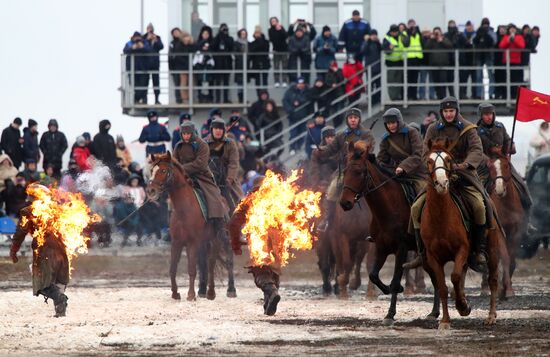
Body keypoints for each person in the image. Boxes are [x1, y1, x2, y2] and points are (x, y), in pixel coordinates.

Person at [408, 97, 490, 271]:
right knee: (415, 208)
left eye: (451, 111)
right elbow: (425, 153)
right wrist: (434, 167)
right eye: (445, 111)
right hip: (438, 175)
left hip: (463, 174)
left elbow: (476, 150)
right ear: (441, 113)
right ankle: (421, 253)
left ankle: (478, 250)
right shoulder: (432, 129)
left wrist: (464, 164)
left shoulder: (468, 128)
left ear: (456, 111)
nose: (449, 114)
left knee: (480, 206)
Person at [9, 184, 70, 317]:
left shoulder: (28, 211)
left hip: (45, 251)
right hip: (62, 250)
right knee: (58, 281)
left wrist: (14, 250)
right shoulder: (56, 209)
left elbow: (20, 233)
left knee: (42, 284)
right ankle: (60, 313)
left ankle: (60, 301)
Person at [313, 108, 375, 231]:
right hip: (344, 171)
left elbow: (370, 148)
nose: (353, 120)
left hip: (362, 170)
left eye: (355, 118)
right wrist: (320, 151)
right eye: (350, 118)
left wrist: (357, 150)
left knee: (375, 190)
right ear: (347, 120)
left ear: (359, 119)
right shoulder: (341, 135)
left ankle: (377, 220)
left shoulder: (366, 134)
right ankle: (327, 219)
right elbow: (331, 149)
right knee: (331, 191)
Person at [476, 102, 534, 232]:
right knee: (478, 192)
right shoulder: (475, 131)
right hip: (485, 167)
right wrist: (488, 161)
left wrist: (511, 147)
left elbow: (508, 140)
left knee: (522, 186)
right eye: (485, 114)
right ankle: (480, 226)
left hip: (503, 164)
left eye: (490, 114)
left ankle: (527, 222)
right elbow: (477, 151)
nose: (489, 117)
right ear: (481, 116)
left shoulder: (500, 126)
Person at [229, 175, 281, 316]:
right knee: (274, 270)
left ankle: (271, 292)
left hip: (259, 237)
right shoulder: (279, 200)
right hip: (278, 240)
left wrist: (236, 243)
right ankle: (269, 302)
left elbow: (234, 222)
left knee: (260, 270)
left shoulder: (248, 201)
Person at [173, 121, 229, 236]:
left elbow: (200, 164)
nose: (186, 136)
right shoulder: (178, 146)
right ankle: (173, 226)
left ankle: (219, 225)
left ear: (193, 133)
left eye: (188, 133)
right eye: (184, 134)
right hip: (184, 177)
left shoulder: (202, 144)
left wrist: (182, 168)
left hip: (202, 176)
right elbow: (174, 162)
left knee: (214, 197)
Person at [377, 108, 427, 195]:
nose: (391, 126)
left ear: (399, 121)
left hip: (417, 174)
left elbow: (418, 154)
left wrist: (403, 167)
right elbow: (382, 159)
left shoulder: (412, 132)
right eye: (388, 123)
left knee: (422, 195)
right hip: (397, 175)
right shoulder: (386, 139)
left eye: (393, 123)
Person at [206, 118, 244, 212]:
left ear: (223, 130)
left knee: (236, 204)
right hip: (208, 178)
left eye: (220, 129)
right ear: (212, 130)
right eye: (216, 128)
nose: (218, 131)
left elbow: (233, 163)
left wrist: (229, 179)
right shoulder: (204, 143)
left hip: (226, 178)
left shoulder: (230, 143)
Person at [282, 77, 313, 154]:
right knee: (293, 134)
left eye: (302, 84)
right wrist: (289, 109)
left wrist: (299, 101)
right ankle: (292, 148)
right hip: (293, 117)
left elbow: (309, 100)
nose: (300, 85)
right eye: (299, 84)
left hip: (303, 116)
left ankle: (298, 147)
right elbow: (285, 101)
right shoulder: (290, 91)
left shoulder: (307, 91)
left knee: (302, 134)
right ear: (296, 84)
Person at [424, 27, 453, 99]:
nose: (436, 34)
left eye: (438, 32)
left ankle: (443, 97)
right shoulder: (431, 41)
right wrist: (431, 39)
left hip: (443, 65)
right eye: (435, 33)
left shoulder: (445, 39)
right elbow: (426, 48)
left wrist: (442, 41)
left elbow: (450, 47)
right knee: (436, 82)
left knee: (443, 81)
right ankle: (438, 96)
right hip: (434, 65)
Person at [123, 31, 151, 104]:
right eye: (136, 38)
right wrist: (133, 48)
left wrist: (142, 47)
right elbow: (125, 51)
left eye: (138, 37)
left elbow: (149, 50)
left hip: (144, 68)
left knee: (144, 85)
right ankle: (136, 99)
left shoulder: (145, 43)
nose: (137, 39)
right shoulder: (129, 43)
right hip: (132, 69)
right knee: (134, 85)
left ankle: (143, 100)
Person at [383, 24, 410, 101]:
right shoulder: (386, 38)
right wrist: (390, 48)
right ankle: (393, 98)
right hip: (391, 63)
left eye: (396, 32)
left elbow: (407, 43)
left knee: (399, 81)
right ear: (390, 32)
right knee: (391, 81)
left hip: (400, 62)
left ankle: (397, 96)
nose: (395, 33)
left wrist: (402, 34)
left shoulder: (401, 36)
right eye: (393, 32)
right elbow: (385, 51)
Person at [498, 23, 525, 99]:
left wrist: (514, 40)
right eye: (511, 29)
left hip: (516, 62)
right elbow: (501, 46)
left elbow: (522, 46)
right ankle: (506, 95)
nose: (512, 30)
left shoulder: (519, 37)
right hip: (507, 62)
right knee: (506, 79)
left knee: (515, 80)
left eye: (514, 28)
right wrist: (509, 40)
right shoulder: (506, 37)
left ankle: (514, 96)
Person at [169, 29, 195, 104]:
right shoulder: (179, 45)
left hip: (191, 67)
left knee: (191, 82)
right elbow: (178, 56)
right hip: (182, 67)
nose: (186, 39)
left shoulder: (191, 45)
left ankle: (190, 98)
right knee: (183, 82)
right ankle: (184, 99)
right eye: (185, 37)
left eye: (187, 37)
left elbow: (195, 52)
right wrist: (187, 63)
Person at [474, 18, 496, 100]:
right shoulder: (478, 32)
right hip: (479, 56)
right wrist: (480, 35)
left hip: (489, 56)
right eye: (484, 24)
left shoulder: (491, 32)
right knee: (479, 76)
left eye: (486, 24)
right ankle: (479, 94)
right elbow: (474, 41)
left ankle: (490, 94)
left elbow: (493, 41)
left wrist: (485, 35)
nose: (485, 26)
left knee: (490, 76)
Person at [211, 23, 234, 103]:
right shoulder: (217, 38)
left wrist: (225, 37)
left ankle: (225, 99)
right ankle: (217, 99)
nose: (225, 31)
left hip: (227, 63)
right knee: (217, 82)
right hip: (218, 63)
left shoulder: (230, 38)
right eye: (223, 29)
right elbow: (213, 46)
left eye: (226, 29)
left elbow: (231, 46)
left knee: (226, 82)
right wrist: (219, 35)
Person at [143, 23, 164, 104]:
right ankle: (144, 99)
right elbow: (144, 48)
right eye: (149, 28)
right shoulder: (143, 38)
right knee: (145, 82)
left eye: (151, 28)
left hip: (155, 63)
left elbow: (161, 47)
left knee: (156, 82)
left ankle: (157, 99)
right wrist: (148, 40)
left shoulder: (157, 37)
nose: (150, 30)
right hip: (145, 64)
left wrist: (156, 41)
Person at [359, 29, 382, 104]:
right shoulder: (366, 43)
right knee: (370, 85)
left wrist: (378, 43)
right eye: (372, 35)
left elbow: (382, 50)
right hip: (369, 68)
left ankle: (377, 99)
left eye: (375, 35)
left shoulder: (378, 43)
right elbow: (363, 51)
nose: (374, 36)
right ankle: (371, 100)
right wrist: (368, 42)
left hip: (378, 67)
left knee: (378, 85)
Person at [194, 26, 215, 103]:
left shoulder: (211, 47)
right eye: (204, 33)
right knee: (200, 82)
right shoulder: (198, 50)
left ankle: (209, 97)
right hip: (200, 68)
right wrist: (199, 65)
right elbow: (195, 60)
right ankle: (201, 97)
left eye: (207, 34)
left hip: (208, 69)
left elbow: (212, 61)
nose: (205, 35)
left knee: (209, 82)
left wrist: (209, 63)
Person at [460, 21, 479, 99]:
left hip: (474, 61)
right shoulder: (462, 36)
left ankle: (474, 95)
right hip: (464, 61)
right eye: (468, 26)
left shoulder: (477, 35)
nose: (469, 27)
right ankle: (463, 95)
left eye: (470, 26)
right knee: (463, 80)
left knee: (475, 81)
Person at [406, 19, 424, 101]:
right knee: (409, 79)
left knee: (415, 79)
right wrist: (409, 33)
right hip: (409, 58)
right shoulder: (405, 33)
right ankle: (409, 95)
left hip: (417, 58)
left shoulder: (417, 34)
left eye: (413, 24)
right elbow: (406, 43)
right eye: (410, 24)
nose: (412, 26)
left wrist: (419, 32)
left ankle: (414, 96)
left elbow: (422, 43)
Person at [268, 17, 289, 87]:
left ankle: (284, 81)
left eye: (274, 21)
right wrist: (276, 31)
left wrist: (280, 30)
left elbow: (285, 36)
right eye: (272, 21)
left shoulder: (281, 28)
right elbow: (272, 39)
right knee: (276, 66)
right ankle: (276, 81)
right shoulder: (270, 30)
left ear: (277, 21)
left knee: (284, 66)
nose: (273, 22)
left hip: (284, 50)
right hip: (276, 50)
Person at [249, 26, 271, 93]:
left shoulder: (266, 42)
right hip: (256, 64)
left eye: (259, 32)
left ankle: (265, 96)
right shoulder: (252, 43)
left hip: (264, 63)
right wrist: (258, 41)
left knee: (264, 81)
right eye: (256, 33)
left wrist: (260, 39)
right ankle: (259, 96)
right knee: (257, 82)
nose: (257, 34)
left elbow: (265, 48)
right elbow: (252, 51)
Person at [325, 61, 345, 127]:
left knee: (340, 110)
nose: (332, 67)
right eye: (331, 66)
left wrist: (337, 72)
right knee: (334, 111)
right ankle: (336, 124)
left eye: (333, 66)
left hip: (340, 93)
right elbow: (327, 82)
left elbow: (342, 79)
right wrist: (331, 85)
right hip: (332, 95)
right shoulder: (328, 73)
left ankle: (340, 123)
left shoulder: (339, 71)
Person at [234, 28, 249, 103]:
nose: (243, 35)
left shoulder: (248, 43)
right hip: (239, 65)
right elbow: (235, 54)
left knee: (245, 83)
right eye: (242, 34)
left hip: (246, 65)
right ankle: (240, 99)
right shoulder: (236, 43)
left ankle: (244, 98)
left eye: (245, 34)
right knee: (240, 83)